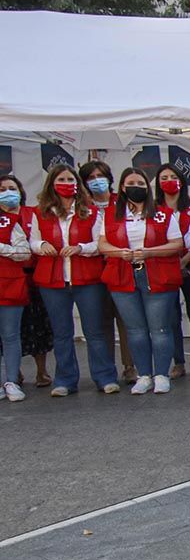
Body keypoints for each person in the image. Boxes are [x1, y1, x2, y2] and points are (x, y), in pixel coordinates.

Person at [30, 164, 119, 396]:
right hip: (53, 280)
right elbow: (33, 241)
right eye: (61, 179)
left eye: (70, 179)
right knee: (62, 332)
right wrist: (42, 245)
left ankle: (105, 377)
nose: (66, 184)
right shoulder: (41, 212)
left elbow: (99, 244)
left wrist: (80, 248)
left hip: (87, 278)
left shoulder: (90, 212)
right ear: (52, 183)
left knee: (95, 331)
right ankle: (65, 380)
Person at [98, 167, 185, 395]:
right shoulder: (110, 215)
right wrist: (119, 253)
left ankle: (162, 374)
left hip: (157, 275)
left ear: (147, 187)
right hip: (123, 275)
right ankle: (144, 374)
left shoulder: (163, 213)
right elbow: (102, 244)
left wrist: (150, 251)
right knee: (135, 329)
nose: (135, 188)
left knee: (160, 328)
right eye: (131, 184)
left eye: (140, 184)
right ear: (122, 188)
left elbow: (177, 244)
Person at [82, 159, 137, 383]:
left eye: (100, 176)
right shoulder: (83, 208)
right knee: (100, 324)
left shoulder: (121, 204)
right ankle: (105, 372)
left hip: (121, 270)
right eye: (92, 178)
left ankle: (130, 365)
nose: (97, 181)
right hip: (91, 272)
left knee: (127, 322)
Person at [156, 164, 190, 379]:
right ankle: (178, 362)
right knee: (171, 317)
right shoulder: (155, 209)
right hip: (164, 267)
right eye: (164, 177)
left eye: (172, 176)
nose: (169, 180)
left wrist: (187, 258)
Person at [2, 176, 53, 388]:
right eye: (3, 189)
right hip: (8, 279)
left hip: (33, 275)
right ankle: (15, 374)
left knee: (38, 325)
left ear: (20, 191)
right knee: (11, 330)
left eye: (12, 188)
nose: (7, 192)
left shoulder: (31, 213)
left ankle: (42, 370)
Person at [0, 177, 31, 401]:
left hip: (10, 284)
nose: (6, 193)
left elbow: (24, 253)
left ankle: (11, 380)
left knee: (11, 335)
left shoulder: (11, 222)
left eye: (9, 189)